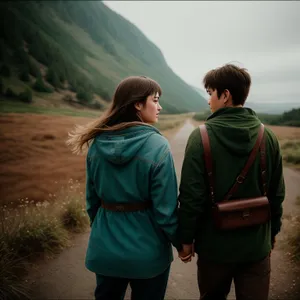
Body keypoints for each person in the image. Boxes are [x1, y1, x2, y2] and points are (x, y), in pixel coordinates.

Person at [67, 76, 191, 300]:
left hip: (105, 251)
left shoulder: (97, 145)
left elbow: (91, 203)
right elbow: (166, 211)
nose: (160, 106)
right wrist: (180, 243)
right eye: (155, 100)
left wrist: (106, 233)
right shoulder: (157, 145)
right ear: (137, 104)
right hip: (149, 255)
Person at [177, 64, 285, 300]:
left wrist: (185, 239)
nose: (208, 101)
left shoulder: (200, 137)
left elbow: (191, 198)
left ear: (225, 95)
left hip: (214, 250)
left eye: (210, 93)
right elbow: (277, 194)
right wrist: (272, 232)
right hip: (257, 246)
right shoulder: (268, 136)